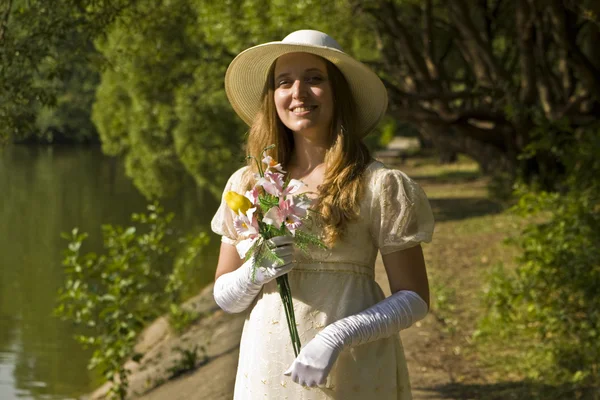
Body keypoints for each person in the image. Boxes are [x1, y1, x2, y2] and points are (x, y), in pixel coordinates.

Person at [211, 30, 435, 400]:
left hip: (353, 365)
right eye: (284, 82)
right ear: (273, 97)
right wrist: (253, 273)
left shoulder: (380, 184)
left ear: (338, 94)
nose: (297, 92)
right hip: (267, 365)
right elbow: (224, 297)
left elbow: (414, 297)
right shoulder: (247, 184)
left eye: (314, 79)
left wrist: (339, 335)